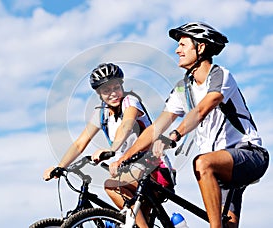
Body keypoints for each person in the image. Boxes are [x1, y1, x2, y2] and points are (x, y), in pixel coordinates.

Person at [109, 22, 269, 228]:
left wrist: (174, 135)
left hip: (249, 154)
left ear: (200, 47)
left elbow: (202, 110)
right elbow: (156, 127)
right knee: (228, 222)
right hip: (218, 169)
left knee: (202, 163)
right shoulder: (183, 89)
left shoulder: (220, 76)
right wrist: (124, 157)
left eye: (183, 45)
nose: (177, 50)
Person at [43, 63, 173, 227]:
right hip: (129, 172)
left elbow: (126, 125)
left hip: (154, 169)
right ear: (98, 94)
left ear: (122, 85)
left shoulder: (130, 102)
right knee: (132, 219)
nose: (113, 94)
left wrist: (112, 150)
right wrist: (60, 166)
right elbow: (80, 142)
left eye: (116, 87)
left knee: (112, 186)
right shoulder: (101, 113)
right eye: (106, 91)